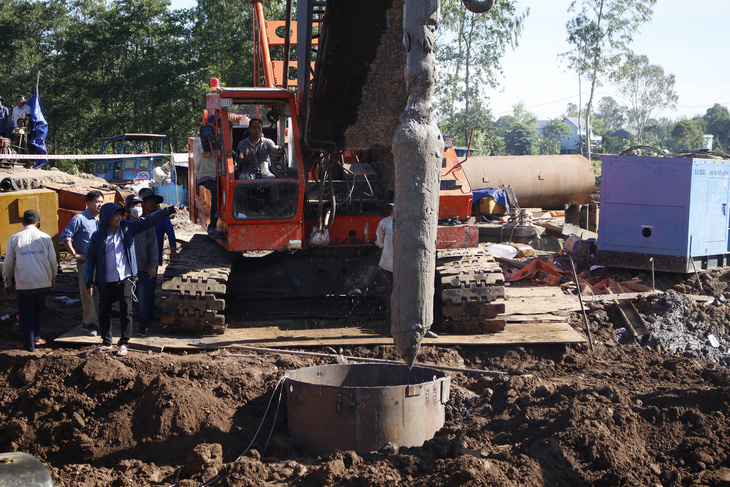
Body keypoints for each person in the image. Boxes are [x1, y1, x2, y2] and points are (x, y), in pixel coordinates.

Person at [84, 202, 177, 356]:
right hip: (106, 280)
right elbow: (90, 260)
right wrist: (89, 282)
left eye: (121, 214)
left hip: (125, 278)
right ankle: (107, 342)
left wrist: (167, 210)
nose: (120, 217)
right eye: (117, 215)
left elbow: (148, 221)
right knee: (104, 311)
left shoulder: (127, 228)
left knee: (126, 311)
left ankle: (124, 343)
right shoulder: (97, 236)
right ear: (108, 217)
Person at [3, 210, 58, 352]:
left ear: (22, 223)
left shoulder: (15, 238)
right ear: (37, 222)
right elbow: (53, 262)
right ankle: (36, 337)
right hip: (42, 282)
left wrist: (7, 282)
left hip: (24, 284)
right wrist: (52, 278)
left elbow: (8, 264)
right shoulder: (45, 238)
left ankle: (29, 345)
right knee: (39, 309)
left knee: (25, 313)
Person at [60, 190, 104, 336]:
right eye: (97, 202)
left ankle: (97, 321)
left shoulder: (102, 220)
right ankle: (89, 324)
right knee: (88, 294)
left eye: (101, 202)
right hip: (86, 264)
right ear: (88, 203)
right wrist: (75, 254)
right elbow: (66, 236)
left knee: (99, 293)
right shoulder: (79, 219)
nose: (100, 205)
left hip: (101, 263)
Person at [125, 193, 158, 337]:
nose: (137, 208)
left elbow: (153, 247)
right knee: (126, 301)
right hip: (125, 271)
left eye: (139, 205)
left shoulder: (147, 225)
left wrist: (153, 265)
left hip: (143, 270)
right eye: (134, 205)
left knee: (143, 300)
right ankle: (125, 325)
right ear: (127, 208)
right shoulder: (123, 225)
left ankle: (143, 327)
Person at [194, 133, 223, 238]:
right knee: (216, 190)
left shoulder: (223, 137)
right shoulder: (198, 139)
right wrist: (214, 140)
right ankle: (212, 226)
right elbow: (204, 151)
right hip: (206, 174)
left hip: (219, 173)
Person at [375, 211, 394, 324]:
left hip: (397, 265)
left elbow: (380, 242)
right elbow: (379, 241)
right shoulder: (385, 223)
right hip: (388, 265)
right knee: (390, 292)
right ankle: (391, 318)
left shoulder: (385, 222)